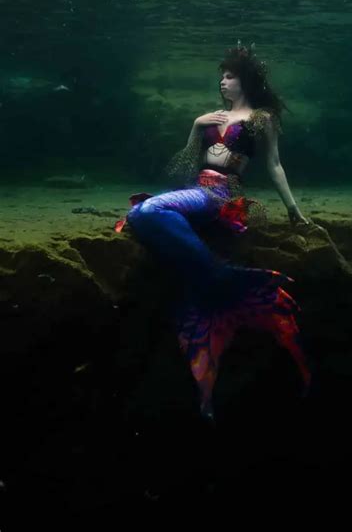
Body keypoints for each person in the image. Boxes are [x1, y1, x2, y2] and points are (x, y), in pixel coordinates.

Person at [116, 44, 313, 420]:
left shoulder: (262, 117)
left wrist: (293, 209)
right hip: (197, 189)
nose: (223, 82)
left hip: (223, 192)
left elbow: (274, 166)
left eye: (229, 76)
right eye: (221, 77)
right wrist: (195, 127)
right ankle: (213, 278)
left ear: (246, 80)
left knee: (146, 211)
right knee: (149, 212)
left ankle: (215, 277)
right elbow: (185, 164)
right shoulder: (210, 118)